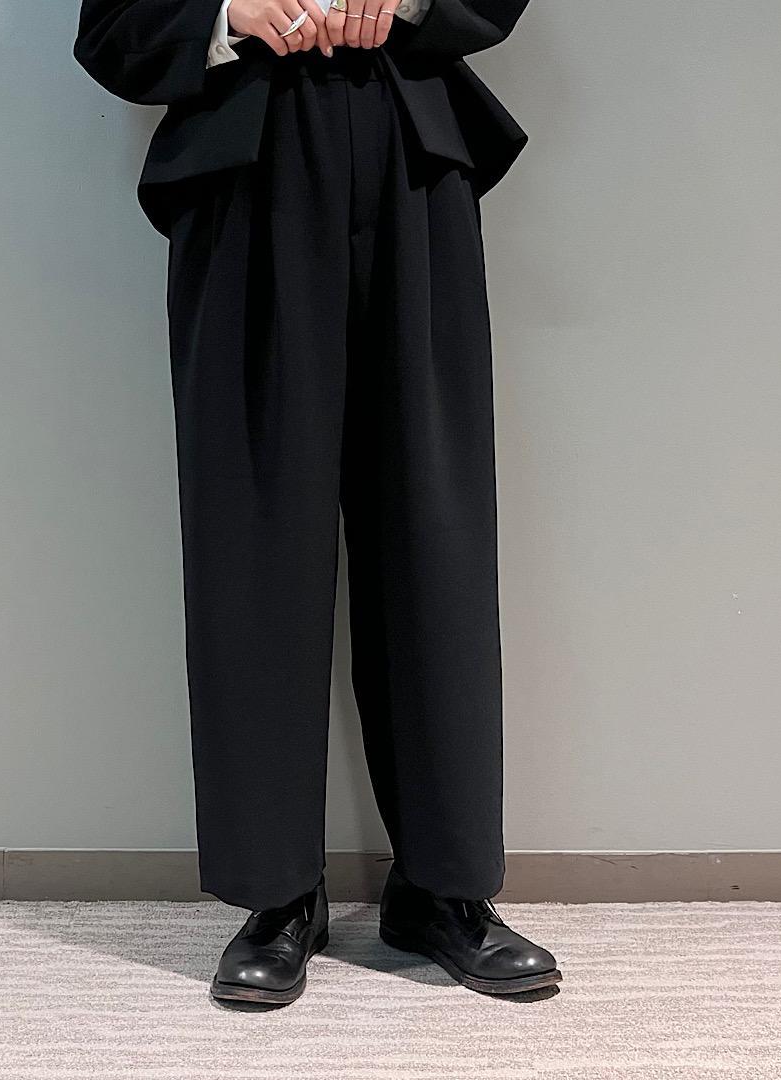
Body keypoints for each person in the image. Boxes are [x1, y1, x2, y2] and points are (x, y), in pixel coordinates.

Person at [73, 0, 562, 1005]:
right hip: (245, 153)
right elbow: (112, 24)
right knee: (254, 529)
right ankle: (277, 894)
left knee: (433, 529)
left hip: (410, 142)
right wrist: (228, 11)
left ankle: (445, 888)